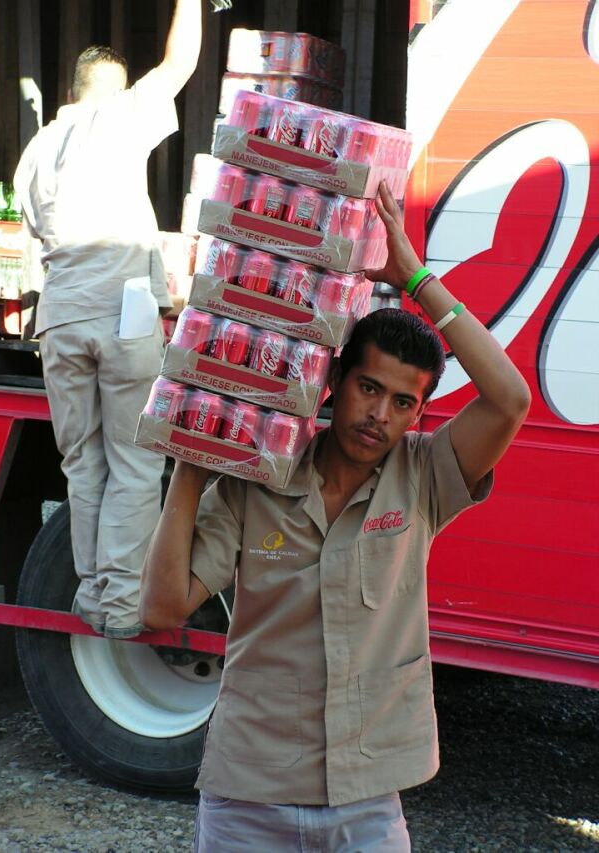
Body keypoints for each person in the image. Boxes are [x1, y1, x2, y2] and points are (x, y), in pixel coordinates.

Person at [139, 181, 532, 851]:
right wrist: (193, 463)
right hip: (249, 794)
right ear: (334, 382)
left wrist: (414, 277)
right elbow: (162, 608)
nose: (379, 414)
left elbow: (510, 398)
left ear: (419, 413)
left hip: (367, 801)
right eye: (369, 388)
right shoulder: (259, 479)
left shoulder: (423, 478)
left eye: (403, 403)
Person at [13, 0, 202, 639]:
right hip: (124, 312)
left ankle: (92, 596)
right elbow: (179, 62)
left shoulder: (37, 149)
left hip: (60, 317)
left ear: (72, 91)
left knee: (83, 464)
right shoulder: (120, 116)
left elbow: (37, 233)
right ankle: (121, 607)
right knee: (134, 462)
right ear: (117, 89)